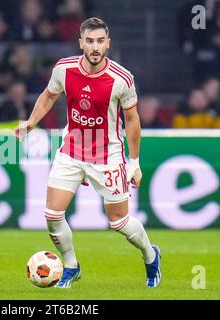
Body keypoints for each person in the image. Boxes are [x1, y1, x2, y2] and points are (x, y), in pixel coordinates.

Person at [13, 17, 161, 289]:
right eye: (90, 41)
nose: (95, 47)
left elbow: (132, 120)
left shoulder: (122, 78)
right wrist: (31, 122)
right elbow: (48, 95)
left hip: (108, 156)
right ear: (80, 42)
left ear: (108, 43)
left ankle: (150, 255)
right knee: (52, 215)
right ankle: (71, 266)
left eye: (100, 41)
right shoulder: (64, 69)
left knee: (120, 223)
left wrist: (134, 162)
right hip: (71, 150)